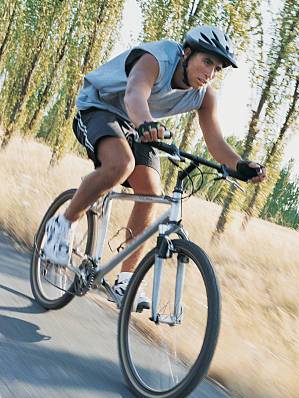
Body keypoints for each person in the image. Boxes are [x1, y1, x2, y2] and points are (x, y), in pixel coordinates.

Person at [42, 25, 265, 308]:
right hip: (99, 108)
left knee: (150, 191)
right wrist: (146, 123)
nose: (210, 73)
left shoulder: (204, 96)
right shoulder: (155, 59)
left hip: (137, 125)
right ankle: (61, 225)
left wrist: (240, 165)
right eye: (206, 61)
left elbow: (216, 142)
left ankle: (126, 281)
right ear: (187, 53)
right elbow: (134, 94)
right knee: (121, 164)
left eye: (217, 68)